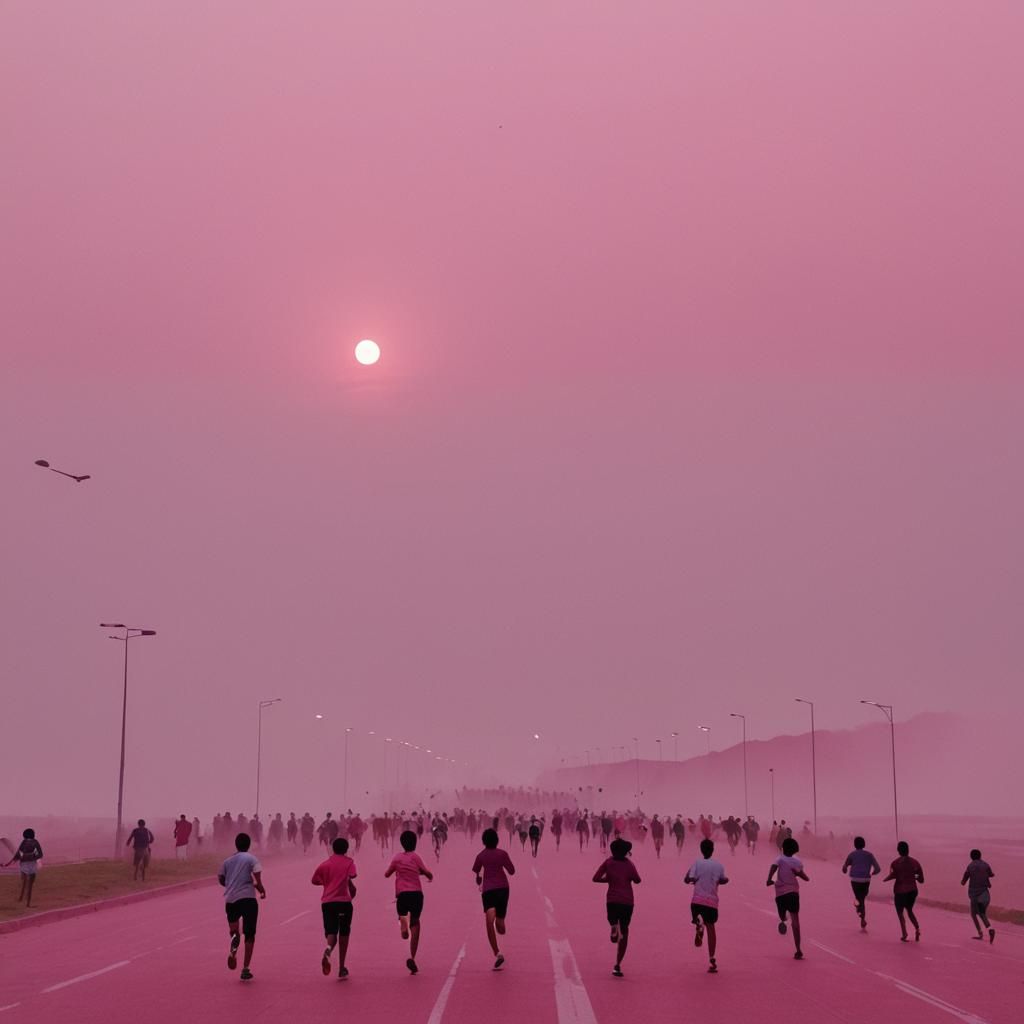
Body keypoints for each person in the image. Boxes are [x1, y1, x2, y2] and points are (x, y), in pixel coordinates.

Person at [385, 830, 434, 973]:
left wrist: (397, 870)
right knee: (416, 923)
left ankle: (403, 928)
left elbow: (387, 874)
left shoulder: (397, 858)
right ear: (415, 843)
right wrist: (427, 875)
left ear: (402, 843)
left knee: (402, 915)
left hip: (402, 894)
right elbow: (427, 872)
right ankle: (412, 956)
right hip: (416, 894)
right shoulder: (416, 857)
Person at [218, 832, 266, 981]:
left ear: (236, 845)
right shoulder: (251, 859)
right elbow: (257, 878)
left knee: (234, 930)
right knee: (250, 935)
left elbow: (221, 878)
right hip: (248, 899)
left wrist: (231, 884)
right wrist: (261, 890)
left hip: (231, 900)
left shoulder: (227, 861)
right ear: (249, 845)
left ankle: (234, 942)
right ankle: (245, 969)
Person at [592, 837, 641, 977]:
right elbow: (638, 880)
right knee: (624, 932)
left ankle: (613, 926)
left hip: (612, 900)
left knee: (612, 920)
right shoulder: (629, 865)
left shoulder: (608, 862)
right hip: (627, 902)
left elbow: (595, 878)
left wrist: (609, 879)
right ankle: (617, 965)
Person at [312, 837, 358, 979]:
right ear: (346, 849)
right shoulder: (349, 862)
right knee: (344, 933)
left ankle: (328, 950)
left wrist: (327, 882)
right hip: (344, 902)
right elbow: (353, 875)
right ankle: (342, 967)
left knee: (331, 932)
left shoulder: (325, 864)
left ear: (333, 849)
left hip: (328, 903)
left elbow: (314, 880)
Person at [472, 828, 516, 970]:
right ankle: (498, 954)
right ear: (497, 840)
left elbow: (477, 876)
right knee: (500, 927)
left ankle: (497, 952)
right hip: (503, 889)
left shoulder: (480, 856)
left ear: (483, 841)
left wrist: (479, 879)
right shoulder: (502, 854)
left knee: (490, 923)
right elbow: (512, 871)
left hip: (489, 891)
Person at [685, 838, 728, 973]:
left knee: (699, 919)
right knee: (711, 928)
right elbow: (723, 880)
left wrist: (692, 878)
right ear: (713, 850)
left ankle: (699, 924)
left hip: (697, 901)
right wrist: (724, 880)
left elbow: (687, 879)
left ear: (701, 850)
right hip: (712, 902)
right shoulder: (719, 865)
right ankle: (712, 958)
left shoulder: (697, 863)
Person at [767, 837, 809, 959]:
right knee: (796, 922)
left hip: (781, 893)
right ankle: (798, 949)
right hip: (793, 893)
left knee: (783, 916)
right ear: (795, 849)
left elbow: (773, 867)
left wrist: (769, 879)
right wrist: (798, 874)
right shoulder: (797, 861)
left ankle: (785, 920)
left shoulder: (779, 858)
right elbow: (805, 877)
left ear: (783, 848)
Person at [883, 841, 924, 942]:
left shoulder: (895, 863)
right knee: (909, 910)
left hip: (900, 891)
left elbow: (892, 875)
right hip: (913, 890)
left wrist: (885, 879)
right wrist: (914, 876)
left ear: (898, 851)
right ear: (908, 850)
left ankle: (904, 933)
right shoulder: (915, 862)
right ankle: (917, 928)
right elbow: (921, 880)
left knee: (900, 912)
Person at [842, 836, 881, 929]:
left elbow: (844, 868)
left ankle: (861, 915)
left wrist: (845, 868)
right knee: (862, 898)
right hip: (866, 880)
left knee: (860, 899)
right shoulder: (869, 855)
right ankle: (862, 916)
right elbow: (878, 869)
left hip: (855, 880)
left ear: (855, 845)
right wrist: (872, 873)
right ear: (864, 844)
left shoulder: (852, 855)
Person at [961, 849, 995, 943]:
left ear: (971, 857)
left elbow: (963, 881)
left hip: (975, 896)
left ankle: (981, 933)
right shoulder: (986, 865)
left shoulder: (970, 866)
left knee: (973, 914)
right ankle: (990, 929)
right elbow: (991, 874)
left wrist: (963, 881)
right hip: (985, 895)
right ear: (980, 856)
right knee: (982, 913)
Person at [4, 828, 44, 908]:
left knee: (24, 882)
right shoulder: (35, 842)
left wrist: (8, 863)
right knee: (30, 885)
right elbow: (40, 854)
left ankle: (21, 898)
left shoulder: (24, 842)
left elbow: (18, 854)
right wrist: (37, 860)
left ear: (24, 835)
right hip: (32, 865)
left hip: (24, 865)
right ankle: (28, 903)